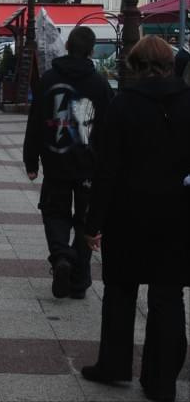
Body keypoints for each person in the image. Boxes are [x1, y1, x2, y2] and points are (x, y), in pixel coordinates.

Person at [81, 36, 190, 402]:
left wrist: (93, 223)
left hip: (127, 213)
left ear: (137, 66)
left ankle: (113, 364)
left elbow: (106, 169)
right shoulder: (188, 103)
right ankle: (161, 382)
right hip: (177, 214)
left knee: (121, 291)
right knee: (168, 295)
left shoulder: (123, 105)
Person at [23, 26, 114, 299]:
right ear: (91, 50)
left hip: (56, 160)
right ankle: (80, 277)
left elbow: (35, 121)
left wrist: (31, 159)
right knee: (86, 218)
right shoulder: (100, 84)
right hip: (89, 163)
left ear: (67, 46)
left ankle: (62, 255)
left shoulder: (48, 79)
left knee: (54, 211)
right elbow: (108, 128)